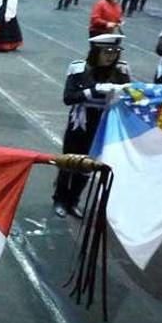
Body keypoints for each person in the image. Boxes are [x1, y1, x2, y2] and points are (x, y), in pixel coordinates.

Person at [53, 34, 130, 218]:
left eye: (114, 52)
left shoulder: (121, 71)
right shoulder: (79, 69)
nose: (111, 56)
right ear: (96, 52)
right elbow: (68, 98)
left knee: (90, 165)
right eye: (106, 51)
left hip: (104, 122)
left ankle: (73, 201)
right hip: (80, 122)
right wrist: (92, 91)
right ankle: (60, 199)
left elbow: (129, 95)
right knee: (69, 161)